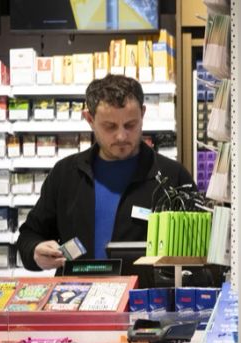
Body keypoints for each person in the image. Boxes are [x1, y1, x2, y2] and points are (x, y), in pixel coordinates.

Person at [16, 74, 194, 271]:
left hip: (146, 300)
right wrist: (35, 251)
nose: (121, 136)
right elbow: (29, 235)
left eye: (130, 125)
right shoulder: (66, 173)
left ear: (143, 114)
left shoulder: (173, 177)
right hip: (79, 297)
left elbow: (196, 253)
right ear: (89, 119)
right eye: (109, 126)